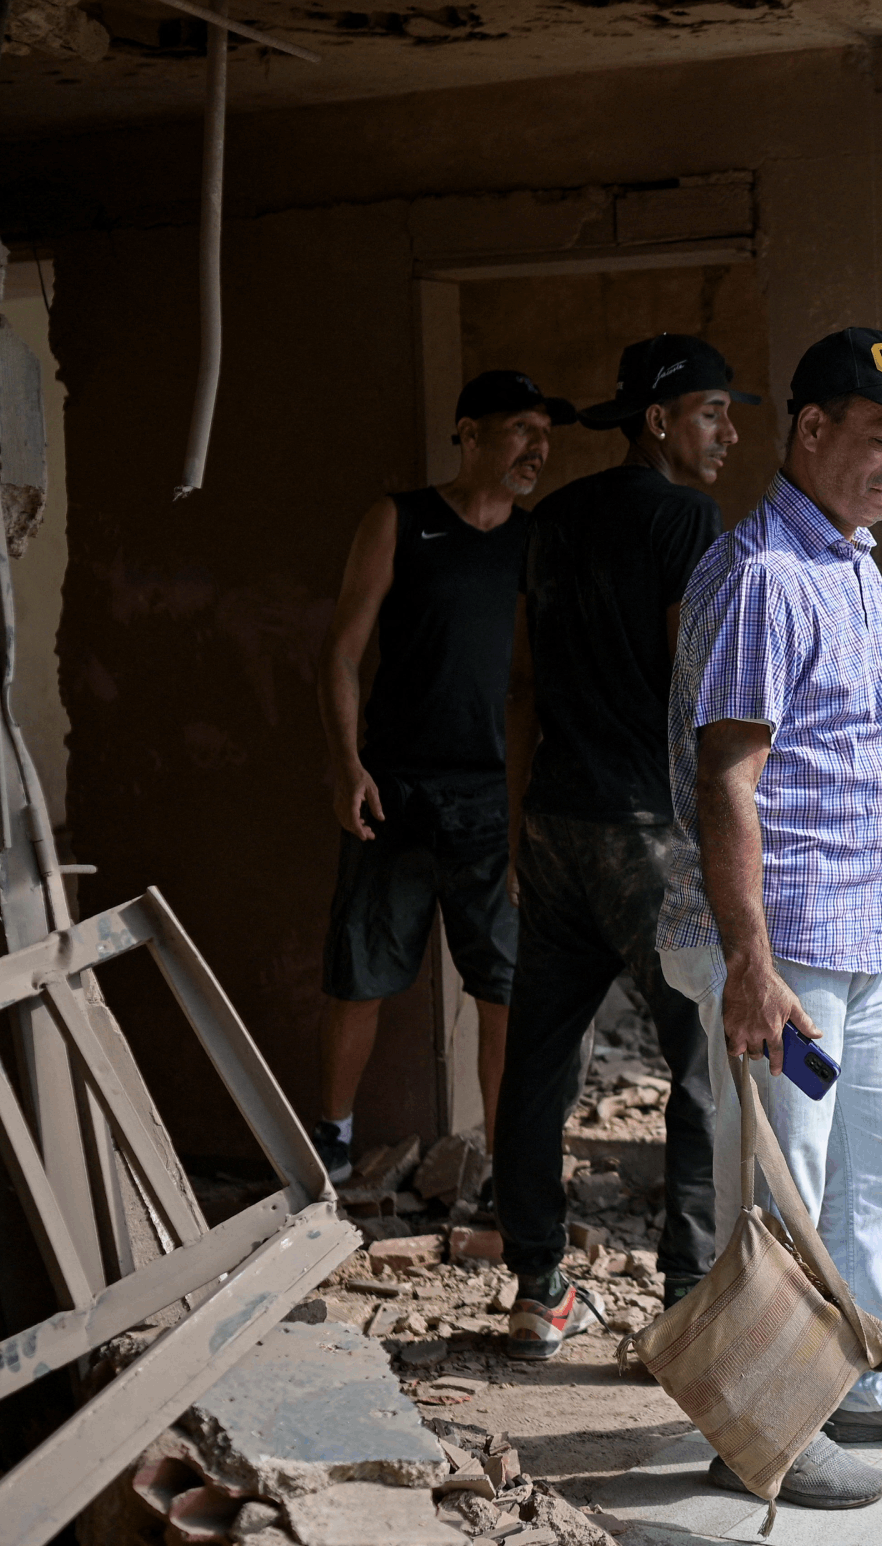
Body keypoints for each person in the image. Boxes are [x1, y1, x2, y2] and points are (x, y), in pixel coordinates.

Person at [657, 328, 882, 1511]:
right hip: (789, 951)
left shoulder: (846, 560)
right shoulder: (761, 574)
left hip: (858, 941)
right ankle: (769, 1425)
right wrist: (749, 962)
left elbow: (867, 760)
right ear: (811, 429)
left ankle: (870, 1378)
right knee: (783, 1189)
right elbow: (728, 777)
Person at [492, 334, 758, 1361]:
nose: (727, 434)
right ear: (657, 422)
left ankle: (536, 1290)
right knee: (697, 1065)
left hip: (557, 825)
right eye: (710, 413)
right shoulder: (686, 519)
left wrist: (520, 823)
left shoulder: (552, 518)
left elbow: (523, 683)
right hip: (651, 834)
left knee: (537, 1065)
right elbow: (695, 690)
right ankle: (687, 1299)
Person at [309, 369, 567, 1181]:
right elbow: (341, 652)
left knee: (504, 990)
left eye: (545, 435)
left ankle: (504, 1175)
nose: (537, 448)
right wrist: (347, 766)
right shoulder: (400, 519)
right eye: (521, 430)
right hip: (394, 793)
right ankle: (332, 1149)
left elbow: (546, 680)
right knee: (360, 975)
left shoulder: (536, 542)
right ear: (469, 433)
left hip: (496, 803)